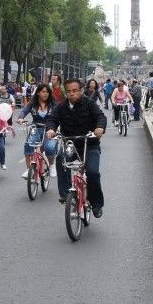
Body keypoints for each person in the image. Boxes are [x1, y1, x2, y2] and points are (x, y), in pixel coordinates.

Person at [45, 79, 107, 216]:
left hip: (89, 145)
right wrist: (51, 129)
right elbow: (52, 120)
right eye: (68, 91)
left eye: (74, 91)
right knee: (61, 159)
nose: (71, 94)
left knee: (93, 173)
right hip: (70, 146)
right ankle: (66, 194)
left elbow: (100, 117)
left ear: (80, 90)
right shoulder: (61, 107)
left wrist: (100, 127)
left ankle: (96, 204)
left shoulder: (90, 104)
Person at [16, 84, 58, 179]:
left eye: (47, 92)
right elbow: (24, 111)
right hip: (36, 129)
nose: (45, 94)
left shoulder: (53, 104)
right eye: (43, 91)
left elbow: (59, 115)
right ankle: (28, 169)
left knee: (50, 147)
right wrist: (20, 118)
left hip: (50, 130)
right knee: (28, 145)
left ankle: (51, 165)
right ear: (38, 92)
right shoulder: (32, 103)